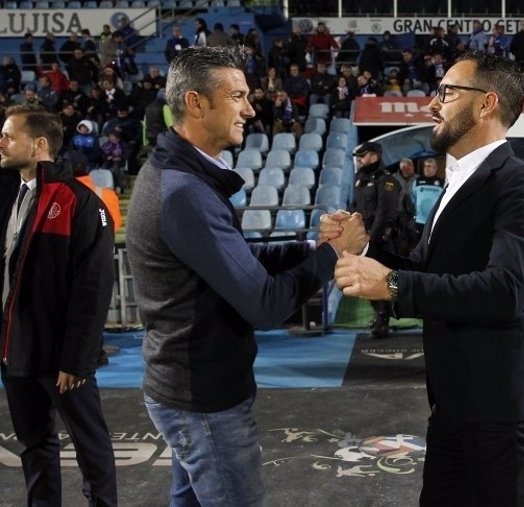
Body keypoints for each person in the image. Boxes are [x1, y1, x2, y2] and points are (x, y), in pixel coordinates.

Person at [124, 46, 367, 506]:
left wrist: (312, 249)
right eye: (237, 96)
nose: (251, 109)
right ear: (196, 103)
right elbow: (266, 304)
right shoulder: (185, 194)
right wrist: (335, 253)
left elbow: (236, 259)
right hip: (203, 401)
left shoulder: (177, 177)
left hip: (189, 390)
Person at [333, 51, 524, 506]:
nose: (432, 104)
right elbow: (426, 270)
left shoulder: (521, 184)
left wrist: (394, 285)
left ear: (486, 104)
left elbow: (504, 292)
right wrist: (361, 250)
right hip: (457, 404)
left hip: (503, 408)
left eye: (446, 92)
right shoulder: (455, 183)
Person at [0, 104, 117, 506]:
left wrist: (78, 359)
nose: (1, 142)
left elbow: (94, 289)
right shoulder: (13, 195)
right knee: (34, 447)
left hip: (63, 358)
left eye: (9, 136)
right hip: (17, 352)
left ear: (39, 145)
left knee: (91, 449)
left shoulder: (81, 203)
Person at [350, 141, 403, 339]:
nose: (360, 160)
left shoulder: (387, 180)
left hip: (382, 238)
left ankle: (387, 315)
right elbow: (357, 208)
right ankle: (381, 314)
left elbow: (384, 212)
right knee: (367, 278)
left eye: (363, 156)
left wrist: (373, 236)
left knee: (390, 277)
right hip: (365, 239)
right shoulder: (360, 178)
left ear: (374, 156)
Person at [412, 157, 444, 236]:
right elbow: (413, 198)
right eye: (425, 166)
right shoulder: (417, 181)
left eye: (429, 166)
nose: (426, 168)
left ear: (435, 168)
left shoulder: (441, 182)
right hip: (420, 221)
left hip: (434, 221)